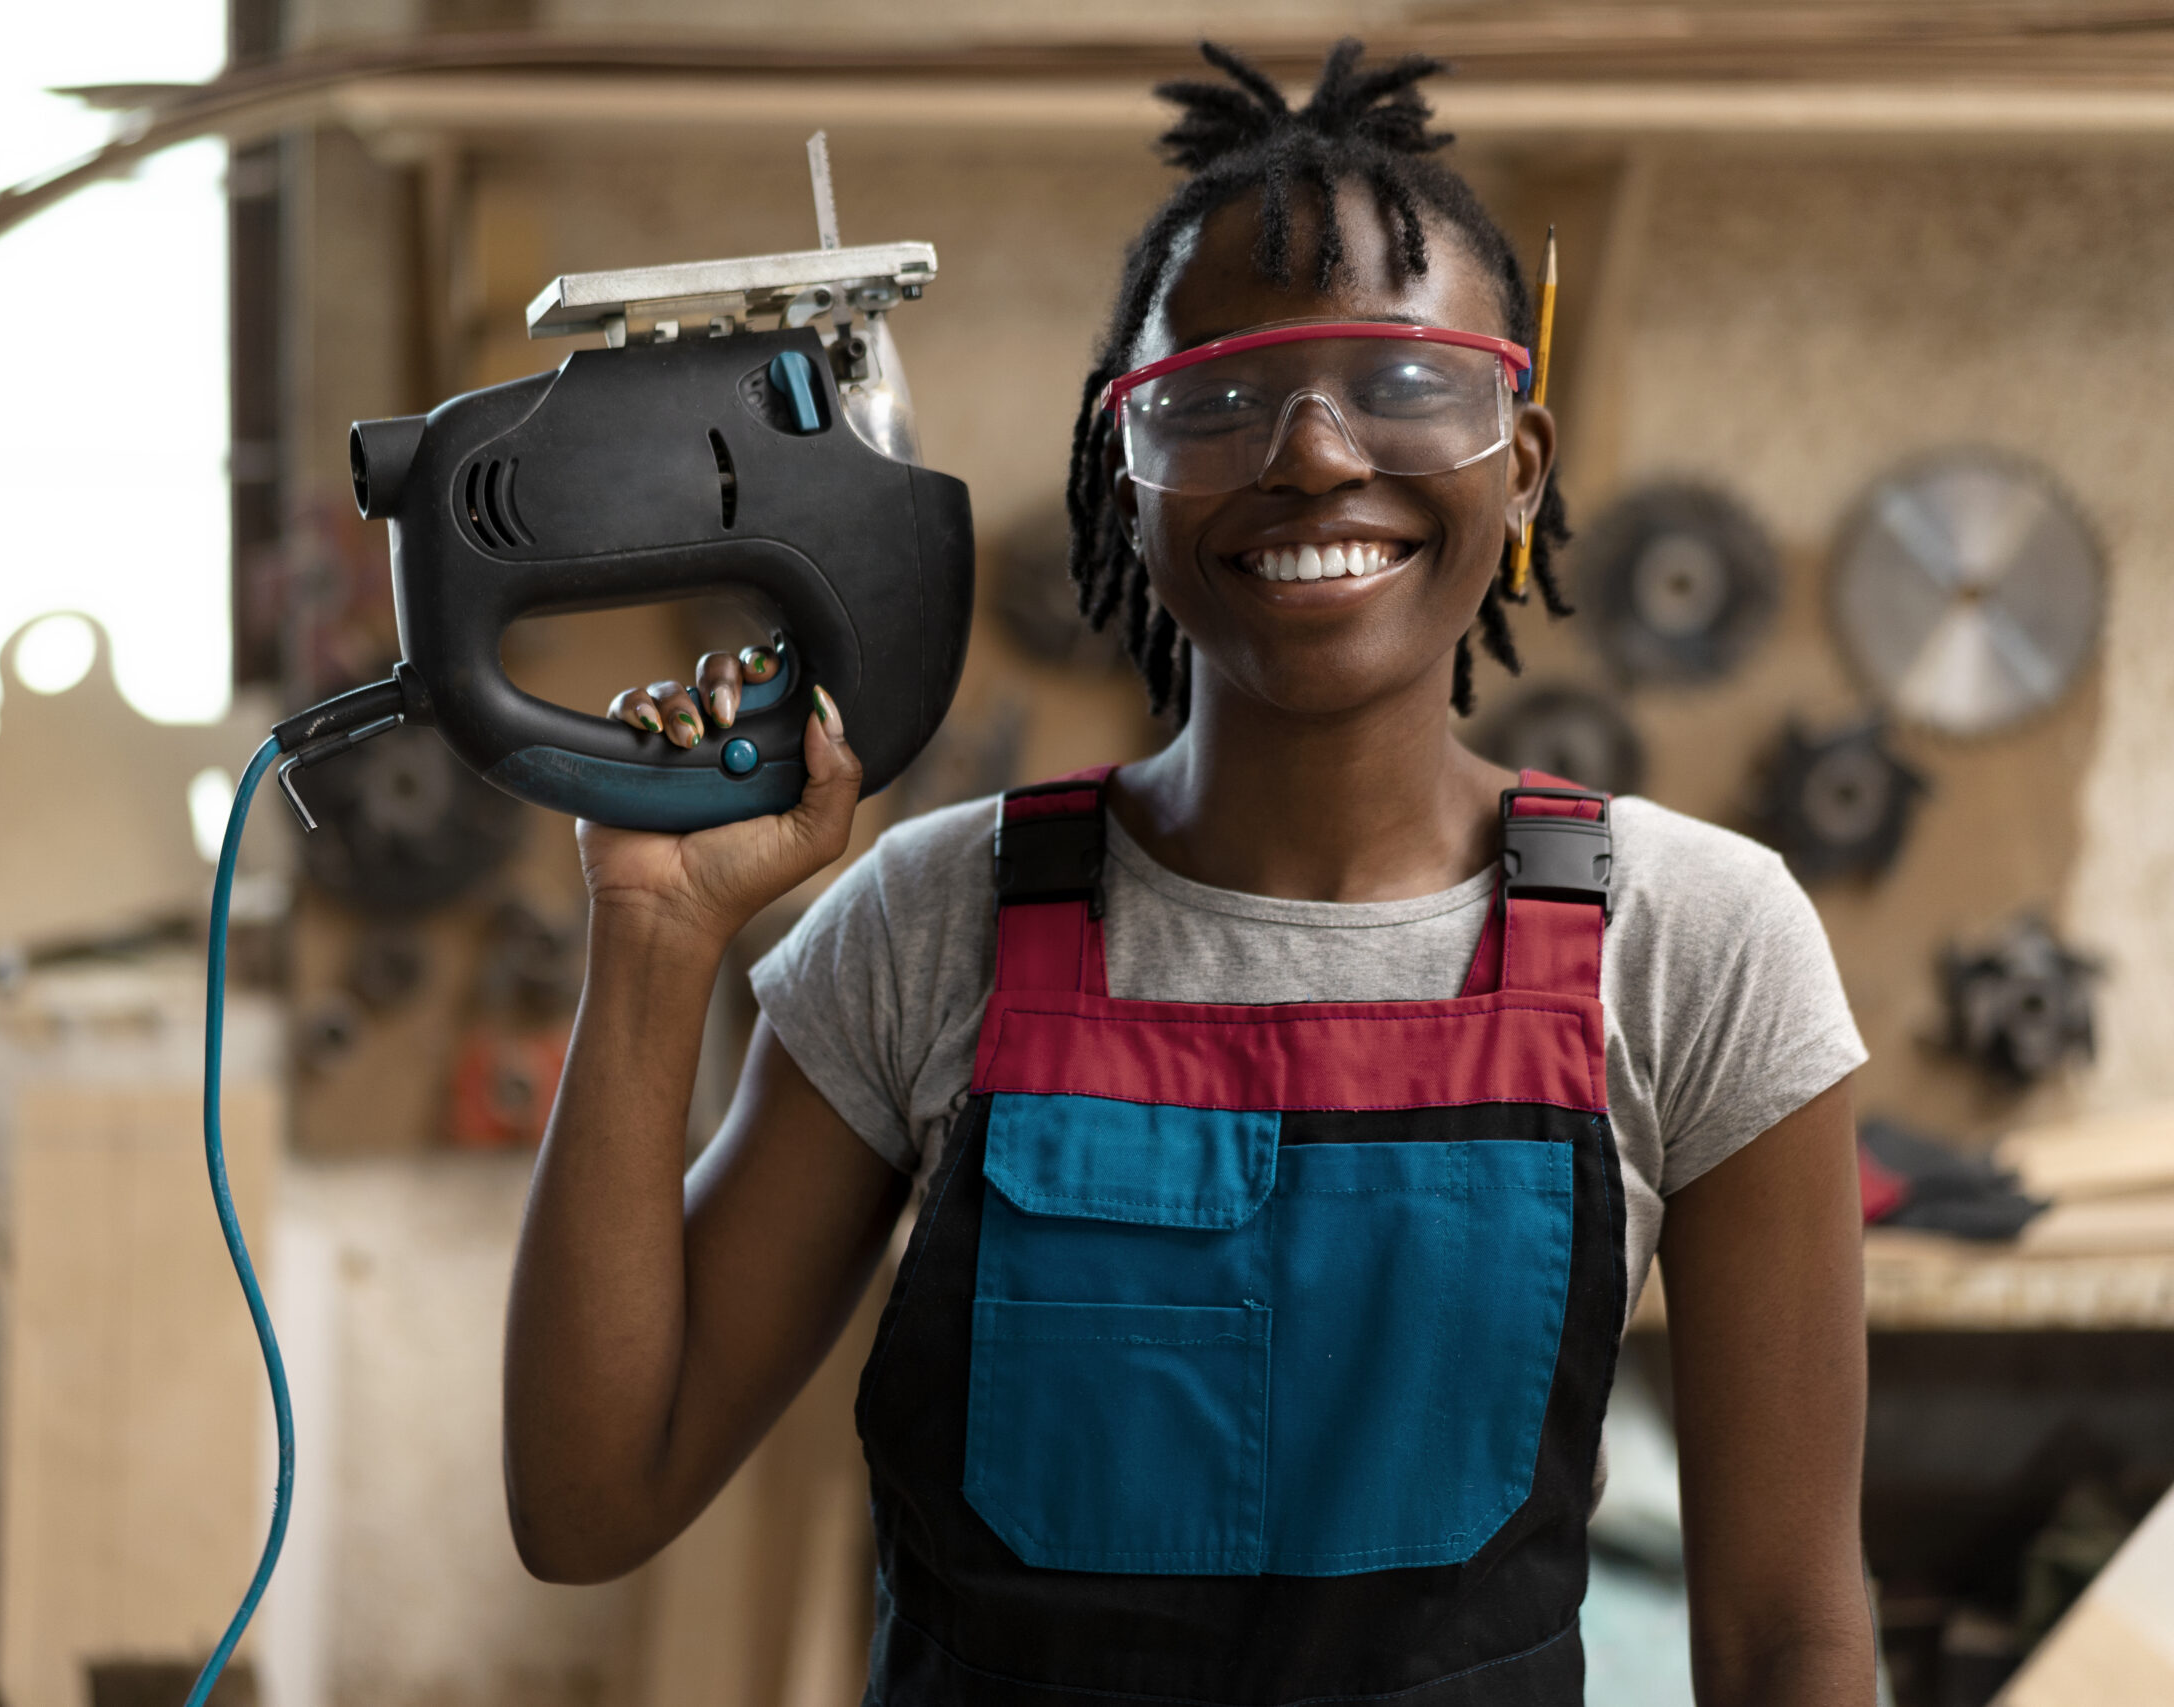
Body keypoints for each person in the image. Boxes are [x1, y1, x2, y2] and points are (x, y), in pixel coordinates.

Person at [505, 40, 1874, 1707]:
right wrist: (648, 933)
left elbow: (1788, 1636)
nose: (1310, 453)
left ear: (1519, 464)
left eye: (1406, 384)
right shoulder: (933, 927)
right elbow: (587, 1503)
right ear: (1124, 473)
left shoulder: (1699, 945)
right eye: (1215, 402)